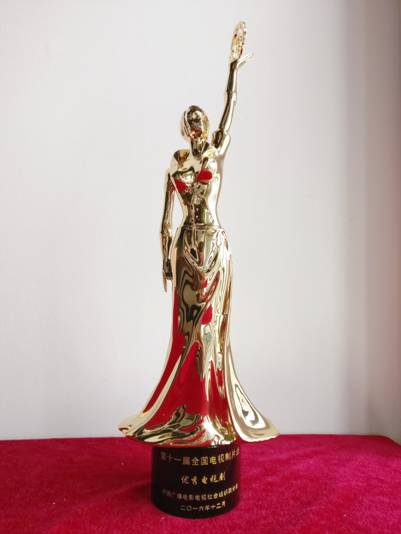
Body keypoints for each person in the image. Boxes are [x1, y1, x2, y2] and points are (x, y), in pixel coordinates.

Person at [119, 23, 278, 446]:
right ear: (184, 128)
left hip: (213, 245)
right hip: (185, 249)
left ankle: (213, 417)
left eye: (199, 118)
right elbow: (164, 219)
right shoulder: (176, 164)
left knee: (211, 331)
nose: (196, 124)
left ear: (205, 124)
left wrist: (233, 69)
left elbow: (230, 106)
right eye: (190, 120)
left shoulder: (216, 151)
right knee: (185, 332)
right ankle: (184, 414)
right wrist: (163, 261)